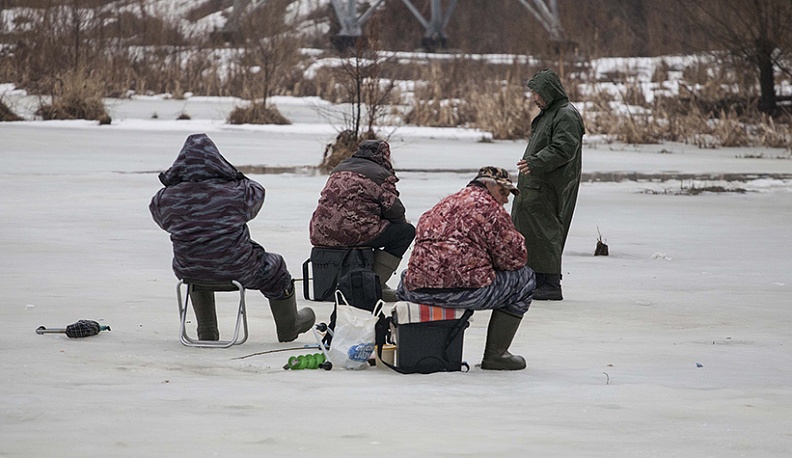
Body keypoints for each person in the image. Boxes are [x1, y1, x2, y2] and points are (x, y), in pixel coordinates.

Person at [150, 133, 315, 342]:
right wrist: (233, 175)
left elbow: (161, 218)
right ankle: (289, 327)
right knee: (275, 266)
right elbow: (258, 192)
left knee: (199, 265)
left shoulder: (165, 198)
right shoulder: (237, 193)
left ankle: (207, 330)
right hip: (239, 269)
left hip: (188, 270)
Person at [397, 167, 535, 371]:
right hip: (464, 293)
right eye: (504, 192)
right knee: (525, 279)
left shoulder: (442, 204)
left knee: (408, 275)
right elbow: (515, 258)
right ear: (489, 185)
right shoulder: (490, 208)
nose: (506, 200)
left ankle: (409, 342)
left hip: (416, 292)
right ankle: (496, 355)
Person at [310, 139, 415, 302]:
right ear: (385, 155)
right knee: (405, 231)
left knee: (373, 226)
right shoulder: (380, 174)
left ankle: (366, 279)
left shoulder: (339, 169)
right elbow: (396, 211)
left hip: (321, 231)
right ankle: (374, 284)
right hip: (353, 233)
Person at [512, 68, 584, 301]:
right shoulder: (552, 113)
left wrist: (535, 162)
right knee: (533, 232)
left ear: (549, 92)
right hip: (537, 183)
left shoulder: (565, 115)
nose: (535, 98)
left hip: (549, 184)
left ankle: (551, 284)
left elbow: (564, 148)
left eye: (537, 93)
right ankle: (537, 280)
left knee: (546, 231)